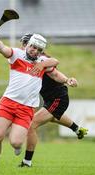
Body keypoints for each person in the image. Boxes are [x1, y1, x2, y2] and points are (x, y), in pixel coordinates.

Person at [0, 33, 59, 168]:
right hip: (8, 102)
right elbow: (2, 49)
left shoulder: (41, 61)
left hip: (26, 108)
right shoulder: (17, 54)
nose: (33, 50)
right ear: (27, 45)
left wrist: (43, 65)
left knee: (16, 143)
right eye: (32, 47)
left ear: (40, 52)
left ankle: (17, 144)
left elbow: (55, 61)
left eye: (37, 49)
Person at [18, 34, 88, 167]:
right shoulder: (25, 59)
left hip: (58, 98)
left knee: (31, 125)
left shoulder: (42, 60)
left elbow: (55, 72)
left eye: (24, 44)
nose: (22, 47)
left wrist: (67, 80)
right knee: (53, 117)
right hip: (50, 98)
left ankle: (26, 162)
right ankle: (78, 129)